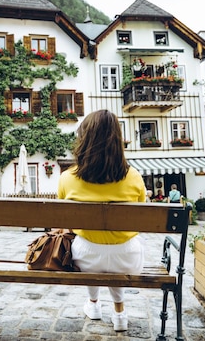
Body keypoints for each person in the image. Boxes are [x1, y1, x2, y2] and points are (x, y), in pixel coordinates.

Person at [58, 109, 146, 332]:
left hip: (86, 259)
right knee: (114, 256)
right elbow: (141, 216)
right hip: (127, 258)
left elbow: (63, 221)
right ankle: (119, 312)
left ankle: (94, 304)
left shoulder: (67, 178)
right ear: (117, 140)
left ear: (84, 139)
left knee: (87, 246)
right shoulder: (134, 177)